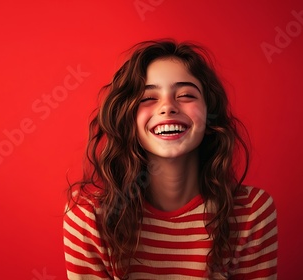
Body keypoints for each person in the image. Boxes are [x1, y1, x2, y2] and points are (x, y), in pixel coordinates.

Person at [63, 39, 278, 279]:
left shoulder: (251, 212)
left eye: (186, 95)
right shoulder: (89, 215)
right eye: (147, 98)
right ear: (128, 122)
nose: (168, 107)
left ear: (210, 118)